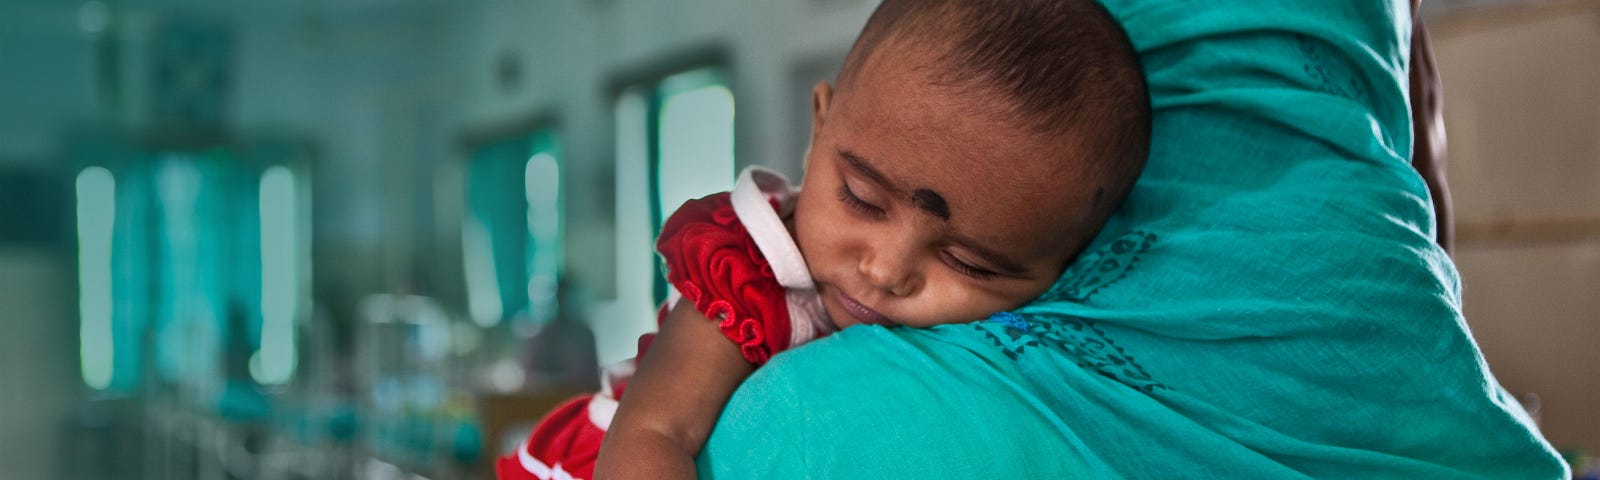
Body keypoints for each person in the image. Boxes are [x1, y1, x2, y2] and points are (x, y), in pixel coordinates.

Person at [496, 0, 1151, 478]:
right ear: (817, 130)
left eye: (970, 262)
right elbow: (655, 431)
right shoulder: (749, 269)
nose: (887, 270)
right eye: (863, 199)